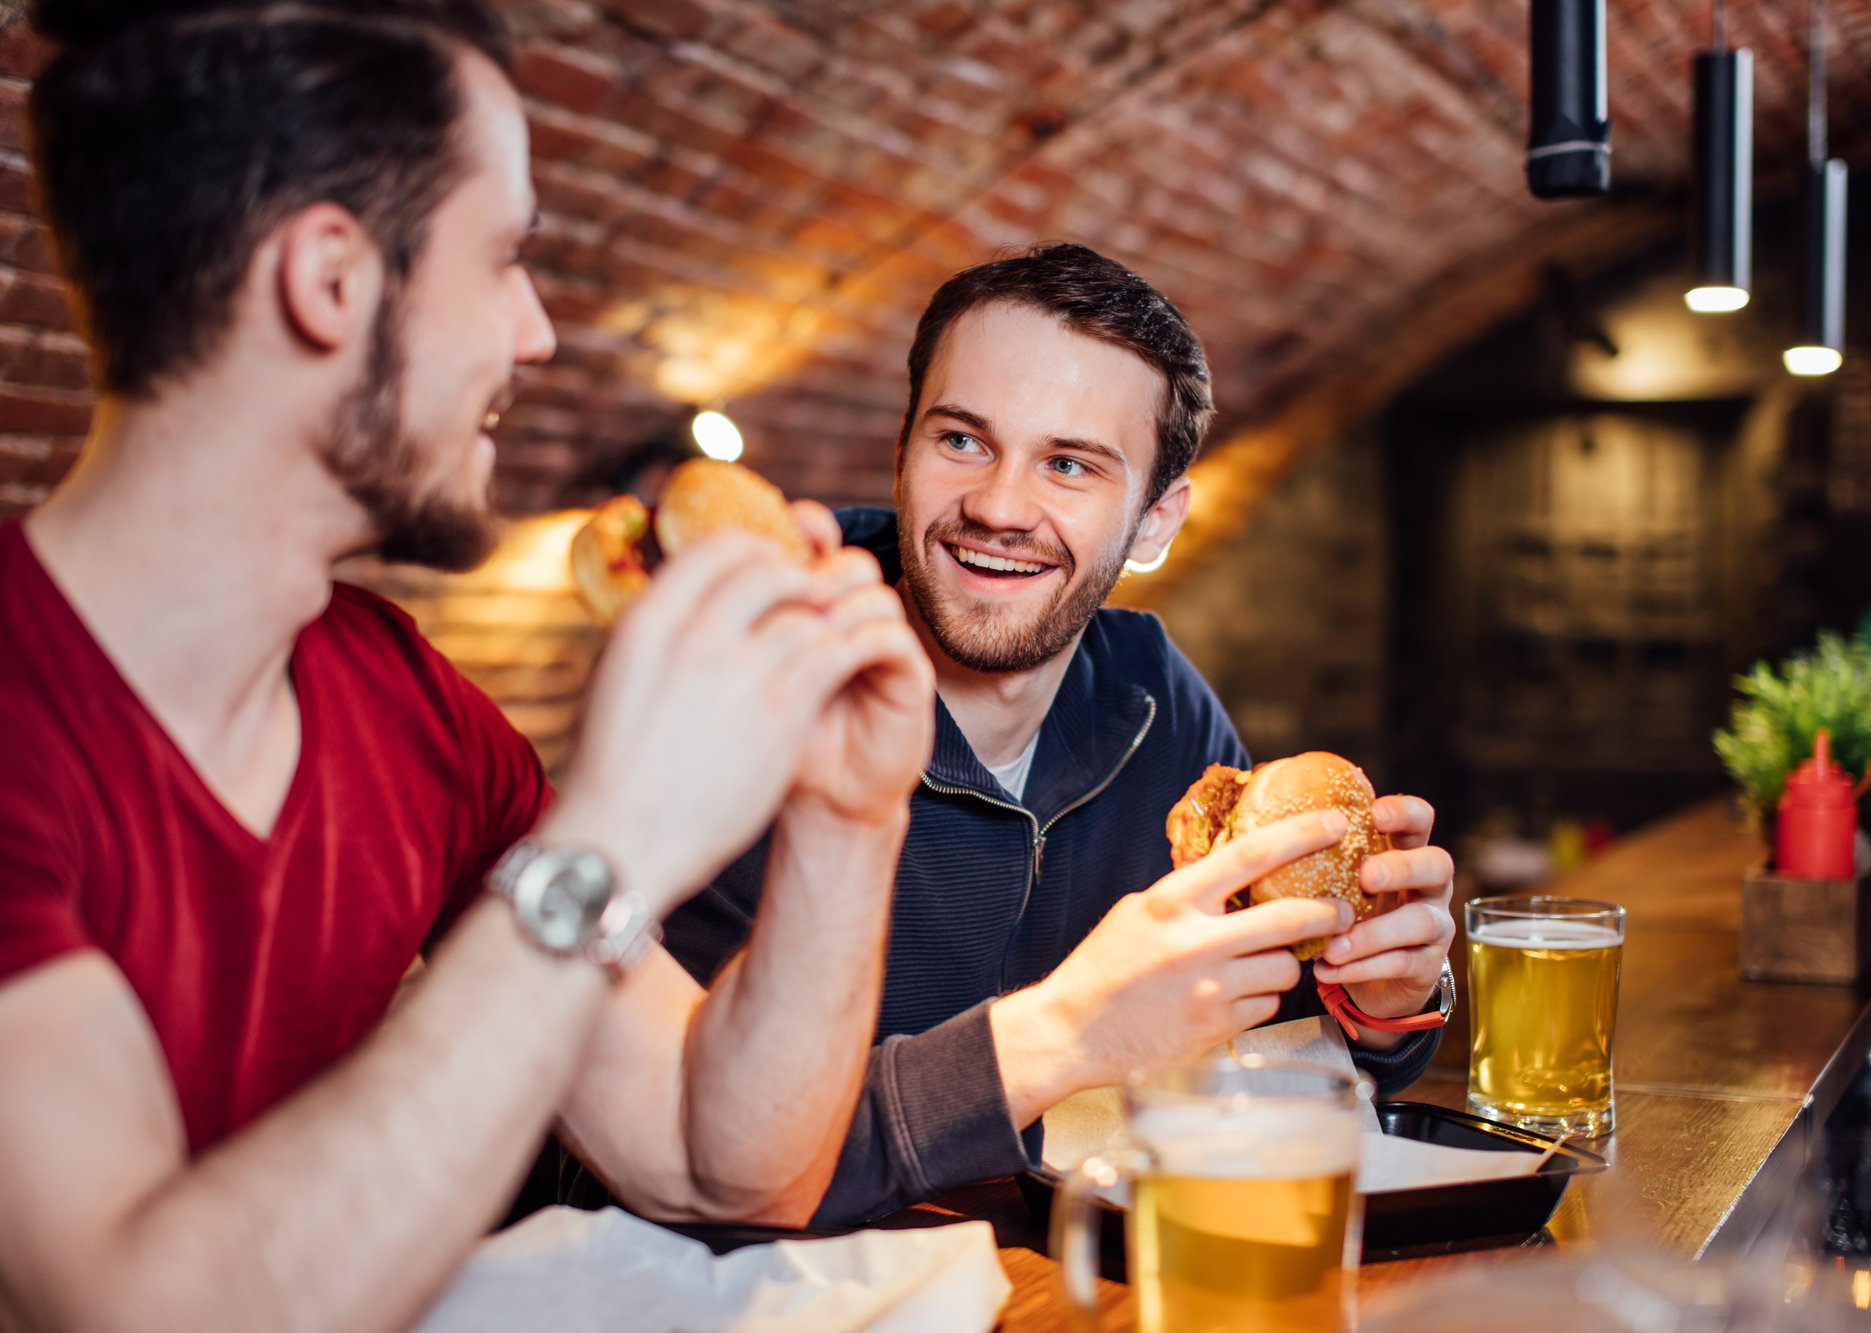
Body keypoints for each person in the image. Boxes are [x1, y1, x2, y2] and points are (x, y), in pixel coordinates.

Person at [0, 4, 988, 1330]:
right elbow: (140, 1306)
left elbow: (726, 1159)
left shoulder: (405, 703)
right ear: (330, 281)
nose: (537, 334)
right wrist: (617, 835)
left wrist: (847, 818)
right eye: (505, 258)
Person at [660, 244, 1458, 1224]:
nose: (997, 506)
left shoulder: (1156, 698)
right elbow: (667, 1158)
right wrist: (1057, 1035)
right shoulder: (745, 691)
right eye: (960, 441)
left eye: (1069, 463)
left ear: (1154, 520)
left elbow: (1268, 1059)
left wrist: (1381, 1004)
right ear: (903, 447)